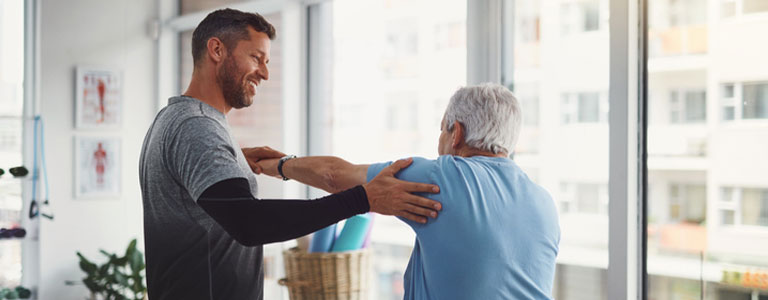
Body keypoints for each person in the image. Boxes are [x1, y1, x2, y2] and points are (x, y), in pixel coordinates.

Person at [138, 9, 441, 300]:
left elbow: (187, 191)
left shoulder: (173, 118)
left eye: (267, 61)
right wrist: (363, 199)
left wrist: (233, 158)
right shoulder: (197, 127)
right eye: (256, 58)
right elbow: (249, 223)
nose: (265, 74)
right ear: (217, 50)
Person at [252, 83, 561, 299]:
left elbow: (336, 177)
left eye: (442, 129)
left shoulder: (444, 177)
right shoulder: (544, 202)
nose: (439, 140)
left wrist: (275, 165)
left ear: (457, 134)